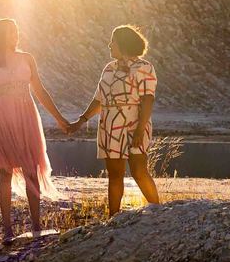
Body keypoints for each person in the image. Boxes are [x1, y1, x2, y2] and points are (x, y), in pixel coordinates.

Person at [0, 18, 69, 242]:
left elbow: (40, 90)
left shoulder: (27, 58)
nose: (15, 35)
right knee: (4, 172)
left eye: (16, 31)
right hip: (1, 119)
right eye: (10, 32)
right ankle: (8, 230)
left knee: (31, 170)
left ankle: (36, 225)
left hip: (27, 117)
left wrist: (59, 119)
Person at [69, 25, 161, 216]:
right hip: (110, 126)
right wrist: (81, 120)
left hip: (135, 123)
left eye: (113, 41)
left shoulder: (144, 67)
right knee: (114, 175)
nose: (109, 45)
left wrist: (139, 130)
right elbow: (99, 99)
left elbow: (147, 99)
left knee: (138, 171)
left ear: (123, 43)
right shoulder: (109, 69)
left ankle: (158, 213)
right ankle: (113, 218)